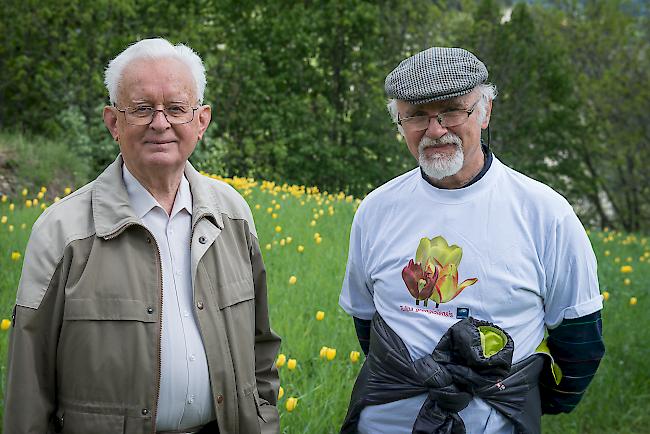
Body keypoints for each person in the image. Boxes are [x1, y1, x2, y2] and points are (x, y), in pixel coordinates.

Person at [4, 38, 281, 434]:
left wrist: (264, 422)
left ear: (200, 121)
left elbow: (261, 348)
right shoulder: (62, 232)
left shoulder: (231, 214)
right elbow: (28, 386)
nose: (160, 123)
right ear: (113, 122)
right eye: (141, 109)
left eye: (176, 108)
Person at [339, 47, 605, 433]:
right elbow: (368, 325)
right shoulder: (376, 209)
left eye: (451, 110)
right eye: (415, 115)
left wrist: (518, 399)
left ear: (484, 112)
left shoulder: (546, 213)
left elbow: (580, 342)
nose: (435, 130)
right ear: (399, 123)